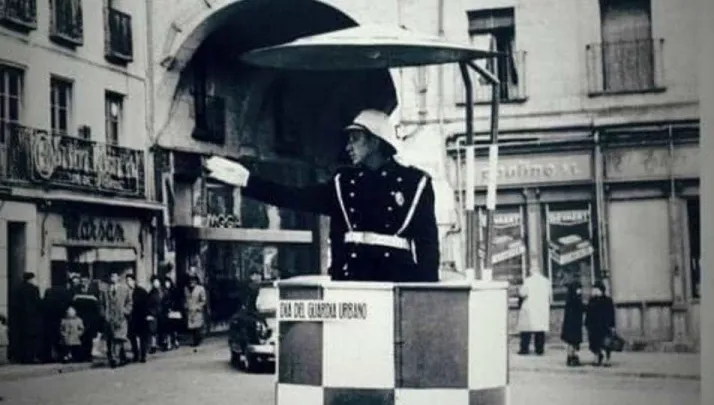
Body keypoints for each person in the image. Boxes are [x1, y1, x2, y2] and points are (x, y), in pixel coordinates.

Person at [204, 109, 439, 282]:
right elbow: (295, 197)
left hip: (395, 283)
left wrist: (425, 300)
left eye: (355, 138)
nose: (348, 146)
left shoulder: (414, 183)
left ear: (376, 142)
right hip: (351, 282)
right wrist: (248, 181)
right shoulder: (343, 183)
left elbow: (427, 247)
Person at [99, 270, 132, 368]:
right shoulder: (105, 290)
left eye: (115, 276)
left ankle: (115, 358)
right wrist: (104, 314)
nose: (113, 278)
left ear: (118, 278)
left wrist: (125, 311)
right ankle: (115, 357)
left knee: (119, 338)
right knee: (110, 339)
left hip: (121, 318)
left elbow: (129, 302)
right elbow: (101, 303)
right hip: (109, 318)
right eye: (111, 276)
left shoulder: (124, 289)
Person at [517, 266, 552, 356]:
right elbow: (549, 295)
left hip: (530, 308)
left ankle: (524, 349)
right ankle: (539, 349)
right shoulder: (546, 281)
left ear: (531, 271)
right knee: (540, 330)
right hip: (541, 309)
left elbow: (522, 293)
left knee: (526, 330)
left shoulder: (528, 281)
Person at [13, 272, 43, 363]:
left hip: (21, 317)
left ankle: (22, 357)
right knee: (32, 339)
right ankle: (31, 357)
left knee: (22, 338)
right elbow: (38, 302)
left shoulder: (18, 289)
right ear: (31, 279)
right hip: (32, 317)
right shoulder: (34, 289)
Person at [71, 274, 101, 362]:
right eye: (82, 281)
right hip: (80, 318)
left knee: (89, 338)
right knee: (80, 338)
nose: (84, 282)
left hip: (91, 319)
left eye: (85, 281)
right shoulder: (76, 290)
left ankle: (88, 356)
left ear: (89, 281)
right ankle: (79, 356)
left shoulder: (94, 291)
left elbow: (97, 306)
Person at [585, 281, 616, 367]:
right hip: (594, 326)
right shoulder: (592, 300)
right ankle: (597, 356)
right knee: (594, 343)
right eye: (593, 289)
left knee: (606, 343)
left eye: (595, 289)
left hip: (604, 325)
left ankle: (607, 359)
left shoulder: (607, 300)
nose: (593, 291)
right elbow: (588, 313)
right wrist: (587, 324)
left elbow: (611, 313)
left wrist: (612, 325)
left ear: (601, 290)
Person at [126, 274, 150, 363]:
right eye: (127, 281)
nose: (128, 282)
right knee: (132, 337)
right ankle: (135, 355)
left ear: (134, 281)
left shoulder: (141, 291)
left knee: (142, 337)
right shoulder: (126, 291)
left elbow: (146, 304)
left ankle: (143, 355)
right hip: (131, 318)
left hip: (141, 317)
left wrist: (146, 315)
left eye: (130, 280)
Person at [560, 281, 585, 366]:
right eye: (579, 289)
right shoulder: (575, 299)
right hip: (573, 325)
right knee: (572, 342)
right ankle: (571, 357)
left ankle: (571, 357)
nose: (580, 290)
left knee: (571, 342)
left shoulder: (570, 298)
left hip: (570, 324)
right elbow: (581, 308)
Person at [184, 274, 207, 347]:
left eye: (193, 280)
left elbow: (204, 300)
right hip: (190, 310)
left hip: (197, 310)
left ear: (196, 281)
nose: (191, 282)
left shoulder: (200, 288)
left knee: (197, 326)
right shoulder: (186, 289)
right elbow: (185, 299)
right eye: (190, 280)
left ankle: (197, 341)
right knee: (192, 327)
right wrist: (185, 305)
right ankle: (194, 340)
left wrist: (199, 306)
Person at [161, 277, 181, 351]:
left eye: (168, 282)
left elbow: (177, 301)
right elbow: (162, 302)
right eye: (166, 283)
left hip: (174, 312)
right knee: (168, 329)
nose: (167, 284)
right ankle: (169, 343)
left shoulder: (174, 291)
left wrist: (172, 308)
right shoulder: (163, 292)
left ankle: (175, 341)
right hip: (166, 313)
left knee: (174, 328)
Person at [147, 275, 164, 353]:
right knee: (153, 330)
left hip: (163, 313)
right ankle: (153, 346)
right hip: (154, 313)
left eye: (157, 281)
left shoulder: (163, 291)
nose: (156, 283)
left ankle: (163, 343)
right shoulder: (151, 292)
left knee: (163, 329)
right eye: (154, 282)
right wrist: (150, 312)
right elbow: (148, 304)